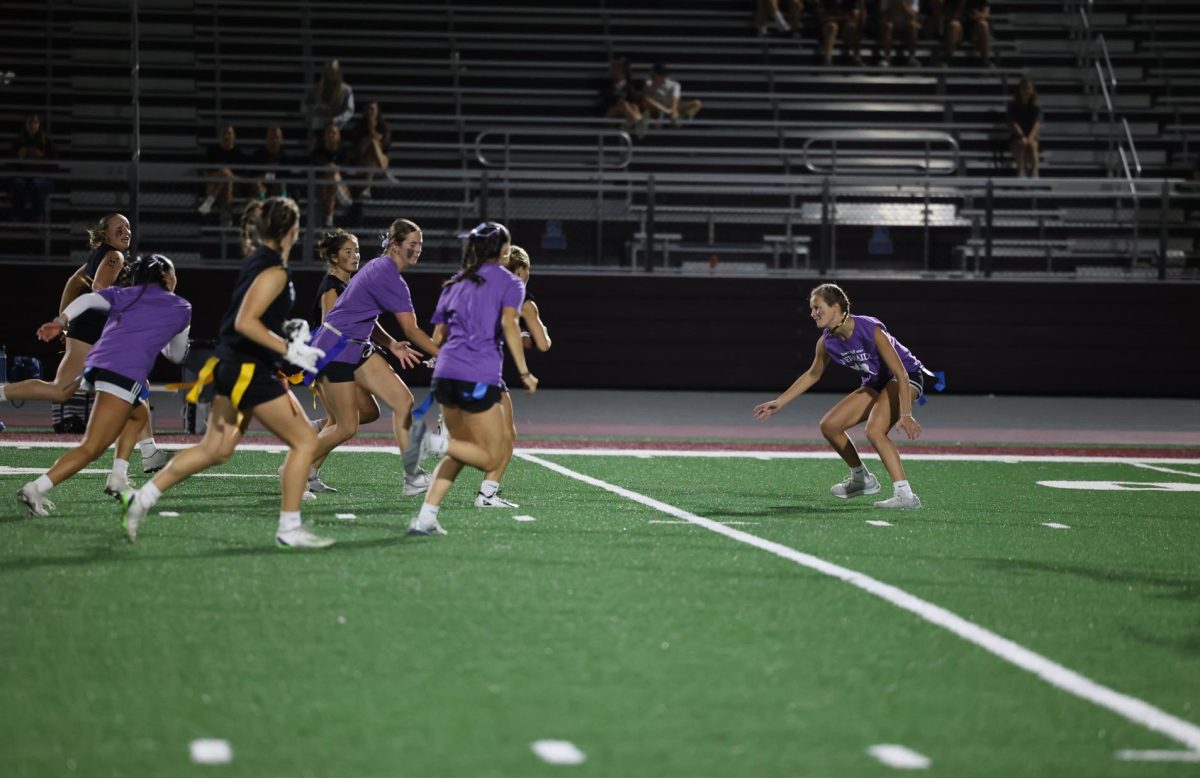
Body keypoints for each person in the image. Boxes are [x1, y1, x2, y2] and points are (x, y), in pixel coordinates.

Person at [119, 198, 334, 548]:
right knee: (306, 441)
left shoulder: (259, 263)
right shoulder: (274, 270)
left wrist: (284, 332)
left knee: (216, 449)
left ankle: (140, 501)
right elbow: (245, 321)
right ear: (293, 230)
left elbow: (252, 317)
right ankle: (289, 529)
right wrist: (289, 349)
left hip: (234, 365)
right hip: (250, 370)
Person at [17, 256, 191, 517]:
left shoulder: (126, 293)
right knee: (91, 448)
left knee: (139, 414)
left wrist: (62, 321)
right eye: (174, 273)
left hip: (98, 365)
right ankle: (35, 489)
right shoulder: (181, 306)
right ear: (166, 277)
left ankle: (118, 477)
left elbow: (86, 300)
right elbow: (177, 356)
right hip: (123, 372)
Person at [0, 213, 170, 478]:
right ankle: (149, 453)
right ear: (105, 234)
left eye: (128, 227)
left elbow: (73, 282)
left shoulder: (100, 256)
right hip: (95, 331)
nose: (126, 231)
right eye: (119, 228)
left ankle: (1, 392)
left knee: (60, 390)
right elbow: (101, 287)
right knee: (136, 383)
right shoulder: (115, 256)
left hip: (84, 329)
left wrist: (64, 320)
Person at [407, 222, 538, 537]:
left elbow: (439, 334)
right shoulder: (510, 282)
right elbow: (509, 323)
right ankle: (430, 442)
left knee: (462, 450)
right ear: (504, 251)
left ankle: (425, 518)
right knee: (491, 454)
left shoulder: (455, 283)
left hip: (445, 373)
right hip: (477, 374)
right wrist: (523, 371)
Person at [753, 283, 927, 509]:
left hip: (907, 377)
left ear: (836, 308)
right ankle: (861, 479)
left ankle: (905, 495)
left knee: (875, 431)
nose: (812, 313)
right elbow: (812, 374)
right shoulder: (826, 342)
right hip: (876, 382)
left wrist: (906, 413)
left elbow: (900, 373)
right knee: (830, 425)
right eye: (812, 309)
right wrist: (780, 401)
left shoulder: (870, 329)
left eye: (818, 308)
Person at [305, 219, 440, 497]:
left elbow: (367, 317)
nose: (417, 250)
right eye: (412, 245)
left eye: (420, 245)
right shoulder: (386, 274)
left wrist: (392, 344)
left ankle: (411, 476)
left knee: (402, 401)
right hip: (337, 348)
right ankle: (296, 469)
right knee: (345, 426)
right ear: (394, 245)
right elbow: (411, 329)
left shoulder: (380, 269)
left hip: (356, 347)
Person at [471, 244, 552, 509]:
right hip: (484, 366)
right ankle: (486, 494)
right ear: (520, 270)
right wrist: (540, 329)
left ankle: (487, 492)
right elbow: (544, 344)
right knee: (505, 434)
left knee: (505, 432)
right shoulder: (523, 297)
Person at [9, 113, 55, 223]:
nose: (32, 125)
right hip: (22, 176)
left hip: (42, 177)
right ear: (25, 125)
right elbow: (10, 164)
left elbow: (54, 164)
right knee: (17, 184)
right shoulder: (18, 142)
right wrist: (18, 157)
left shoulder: (47, 142)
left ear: (39, 125)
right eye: (30, 122)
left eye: (35, 122)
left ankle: (37, 216)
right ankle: (18, 216)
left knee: (37, 185)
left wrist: (41, 158)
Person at [197, 124, 244, 217]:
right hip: (214, 184)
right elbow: (206, 173)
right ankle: (226, 214)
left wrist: (227, 175)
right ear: (219, 136)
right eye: (224, 133)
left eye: (229, 133)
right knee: (224, 176)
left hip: (233, 189)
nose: (226, 136)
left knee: (226, 178)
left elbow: (242, 178)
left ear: (234, 136)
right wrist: (223, 174)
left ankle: (208, 203)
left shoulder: (238, 154)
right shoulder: (212, 151)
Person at [347, 101, 392, 199]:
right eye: (368, 109)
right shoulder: (358, 127)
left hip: (381, 160)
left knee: (374, 146)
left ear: (377, 111)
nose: (370, 111)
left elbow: (385, 147)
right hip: (363, 160)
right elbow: (358, 150)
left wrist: (372, 131)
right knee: (372, 147)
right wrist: (370, 136)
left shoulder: (384, 127)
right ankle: (384, 173)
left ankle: (367, 189)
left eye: (372, 109)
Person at [311, 122, 352, 227]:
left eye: (334, 133)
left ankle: (328, 218)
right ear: (324, 136)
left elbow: (345, 172)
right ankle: (329, 217)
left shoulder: (344, 153)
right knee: (330, 179)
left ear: (338, 136)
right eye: (328, 132)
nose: (331, 135)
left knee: (333, 176)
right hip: (322, 191)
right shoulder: (318, 152)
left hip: (342, 191)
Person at [599, 56, 645, 138]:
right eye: (612, 68)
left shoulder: (629, 86)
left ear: (622, 71)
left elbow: (634, 100)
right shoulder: (606, 84)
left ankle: (634, 122)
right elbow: (605, 100)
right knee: (622, 103)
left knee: (634, 106)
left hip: (625, 113)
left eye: (615, 68)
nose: (611, 71)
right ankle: (638, 121)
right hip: (610, 113)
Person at [307, 59, 355, 136]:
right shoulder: (315, 89)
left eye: (333, 71)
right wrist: (318, 108)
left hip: (339, 127)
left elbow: (350, 110)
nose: (331, 74)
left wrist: (336, 120)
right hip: (320, 126)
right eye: (328, 71)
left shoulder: (346, 90)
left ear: (338, 72)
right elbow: (305, 106)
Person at [937, 0, 991, 66]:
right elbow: (945, 14)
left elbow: (986, 14)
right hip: (958, 30)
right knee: (954, 25)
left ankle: (985, 60)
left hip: (973, 29)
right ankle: (947, 59)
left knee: (983, 24)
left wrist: (978, 16)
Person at [1008, 77, 1042, 177]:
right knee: (1021, 145)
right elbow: (1013, 123)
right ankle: (1021, 172)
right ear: (1020, 90)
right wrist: (1022, 136)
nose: (1026, 91)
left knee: (1033, 146)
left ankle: (1035, 173)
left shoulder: (1036, 107)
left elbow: (1037, 124)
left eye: (1028, 89)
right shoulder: (1013, 106)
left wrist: (1030, 138)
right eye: (1024, 89)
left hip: (1031, 136)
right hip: (1017, 136)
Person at [819, 0, 864, 66]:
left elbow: (854, 17)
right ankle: (827, 59)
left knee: (852, 27)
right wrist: (842, 18)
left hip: (845, 27)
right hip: (828, 26)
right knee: (832, 26)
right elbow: (822, 17)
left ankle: (857, 57)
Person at [250, 125, 290, 199]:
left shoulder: (285, 157)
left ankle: (282, 202)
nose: (274, 140)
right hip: (261, 183)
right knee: (257, 183)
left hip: (277, 183)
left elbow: (285, 176)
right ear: (266, 138)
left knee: (282, 184)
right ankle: (261, 204)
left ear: (281, 139)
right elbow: (253, 174)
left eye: (276, 137)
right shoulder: (258, 154)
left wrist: (269, 177)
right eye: (271, 137)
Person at [879, 0, 921, 67]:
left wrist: (903, 4)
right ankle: (887, 58)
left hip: (906, 26)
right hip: (892, 23)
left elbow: (913, 16)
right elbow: (884, 13)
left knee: (913, 25)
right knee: (888, 25)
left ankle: (912, 58)